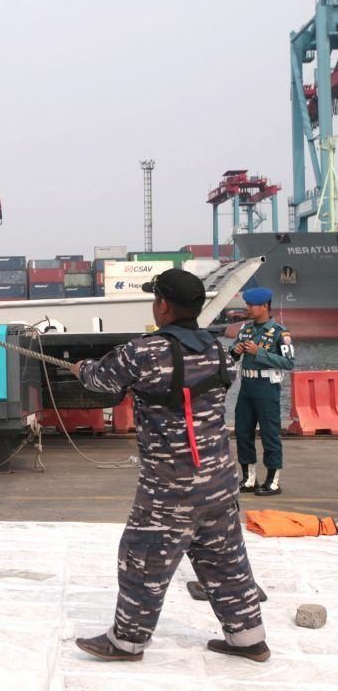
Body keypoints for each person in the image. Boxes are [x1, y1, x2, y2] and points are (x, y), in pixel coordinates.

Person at [70, 269, 268, 663]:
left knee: (142, 558)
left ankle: (126, 642)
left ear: (162, 305)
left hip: (171, 488)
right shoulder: (216, 349)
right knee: (225, 559)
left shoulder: (145, 352)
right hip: (220, 481)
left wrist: (81, 369)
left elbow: (100, 380)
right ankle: (249, 639)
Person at [231, 287, 294, 497]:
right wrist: (235, 351)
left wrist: (260, 353)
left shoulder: (279, 332)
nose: (248, 308)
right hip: (246, 387)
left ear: (265, 306)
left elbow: (288, 362)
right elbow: (232, 352)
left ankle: (272, 481)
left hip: (267, 388)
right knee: (242, 432)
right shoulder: (245, 329)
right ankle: (249, 479)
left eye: (251, 305)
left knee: (270, 434)